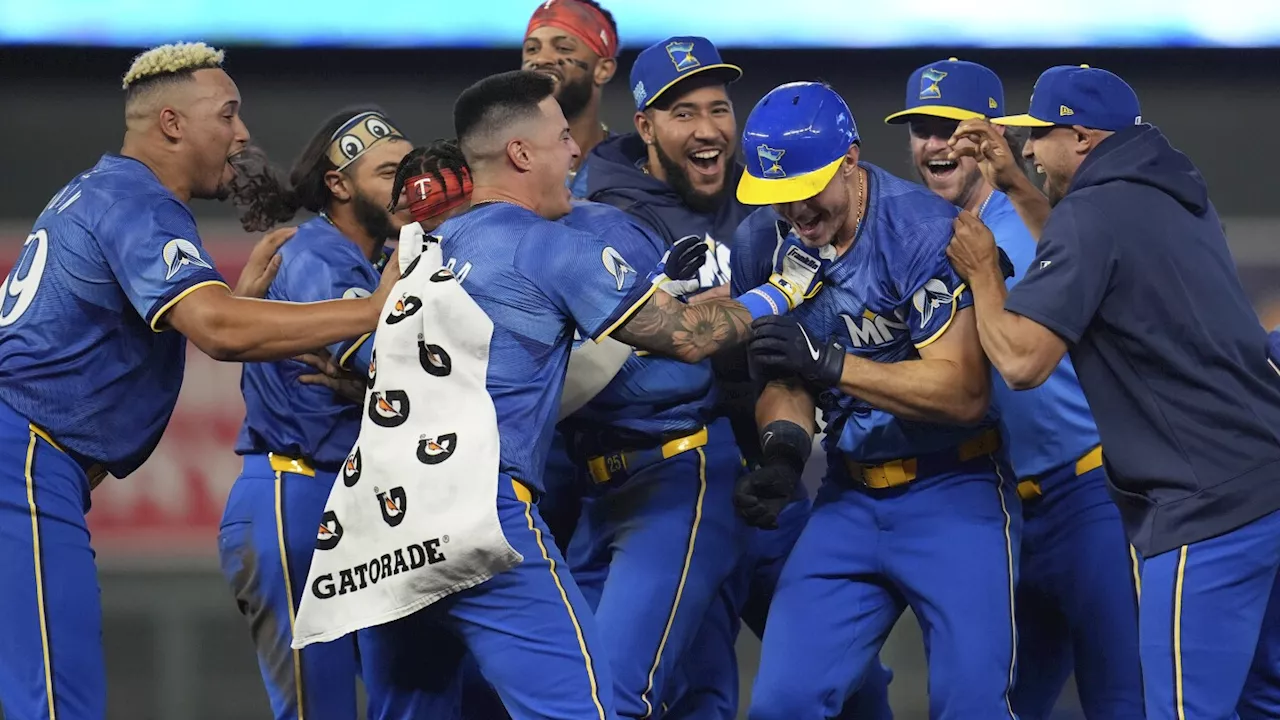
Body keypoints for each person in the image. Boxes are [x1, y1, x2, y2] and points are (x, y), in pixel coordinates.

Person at [308, 69, 819, 720]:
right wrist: (785, 288)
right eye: (560, 139)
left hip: (372, 519)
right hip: (475, 504)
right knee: (587, 711)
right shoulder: (555, 247)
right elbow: (689, 335)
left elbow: (362, 350)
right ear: (521, 154)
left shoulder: (423, 248)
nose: (577, 152)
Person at [0, 42, 400, 719]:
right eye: (228, 114)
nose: (241, 133)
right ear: (171, 124)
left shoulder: (95, 188)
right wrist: (375, 307)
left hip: (30, 457)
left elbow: (199, 330)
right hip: (21, 458)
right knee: (55, 704)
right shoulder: (138, 200)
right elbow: (215, 328)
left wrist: (234, 305)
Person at [946, 63, 1280, 720]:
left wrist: (986, 275)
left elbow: (1021, 363)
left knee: (1184, 712)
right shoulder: (1175, 190)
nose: (1031, 150)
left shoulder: (1094, 216)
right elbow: (1090, 255)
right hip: (1267, 482)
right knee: (1264, 701)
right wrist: (1017, 187)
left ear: (1082, 138)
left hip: (1206, 508)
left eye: (1039, 136)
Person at [731, 80, 1021, 720]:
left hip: (956, 489)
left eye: (805, 190)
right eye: (777, 197)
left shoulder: (924, 232)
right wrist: (782, 452)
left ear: (851, 161)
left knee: (970, 706)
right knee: (782, 703)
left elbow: (964, 391)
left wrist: (832, 363)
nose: (794, 213)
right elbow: (785, 374)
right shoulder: (763, 241)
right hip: (849, 495)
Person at [886, 58, 1142, 718]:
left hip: (1089, 494)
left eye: (952, 128)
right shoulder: (914, 239)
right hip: (1003, 508)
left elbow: (1024, 366)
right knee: (1003, 701)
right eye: (921, 128)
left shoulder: (1040, 225)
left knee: (1123, 699)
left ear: (993, 134)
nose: (934, 144)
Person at [217, 112, 472, 720]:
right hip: (299, 491)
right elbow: (384, 355)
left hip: (373, 504)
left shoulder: (392, 257)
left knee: (426, 694)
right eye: (389, 172)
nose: (408, 184)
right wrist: (380, 374)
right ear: (339, 185)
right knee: (319, 708)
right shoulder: (309, 252)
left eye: (411, 170)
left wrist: (374, 384)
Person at [521, 0, 618, 197]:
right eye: (532, 49)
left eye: (563, 48)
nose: (540, 59)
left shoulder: (630, 163)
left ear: (602, 70)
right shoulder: (501, 162)